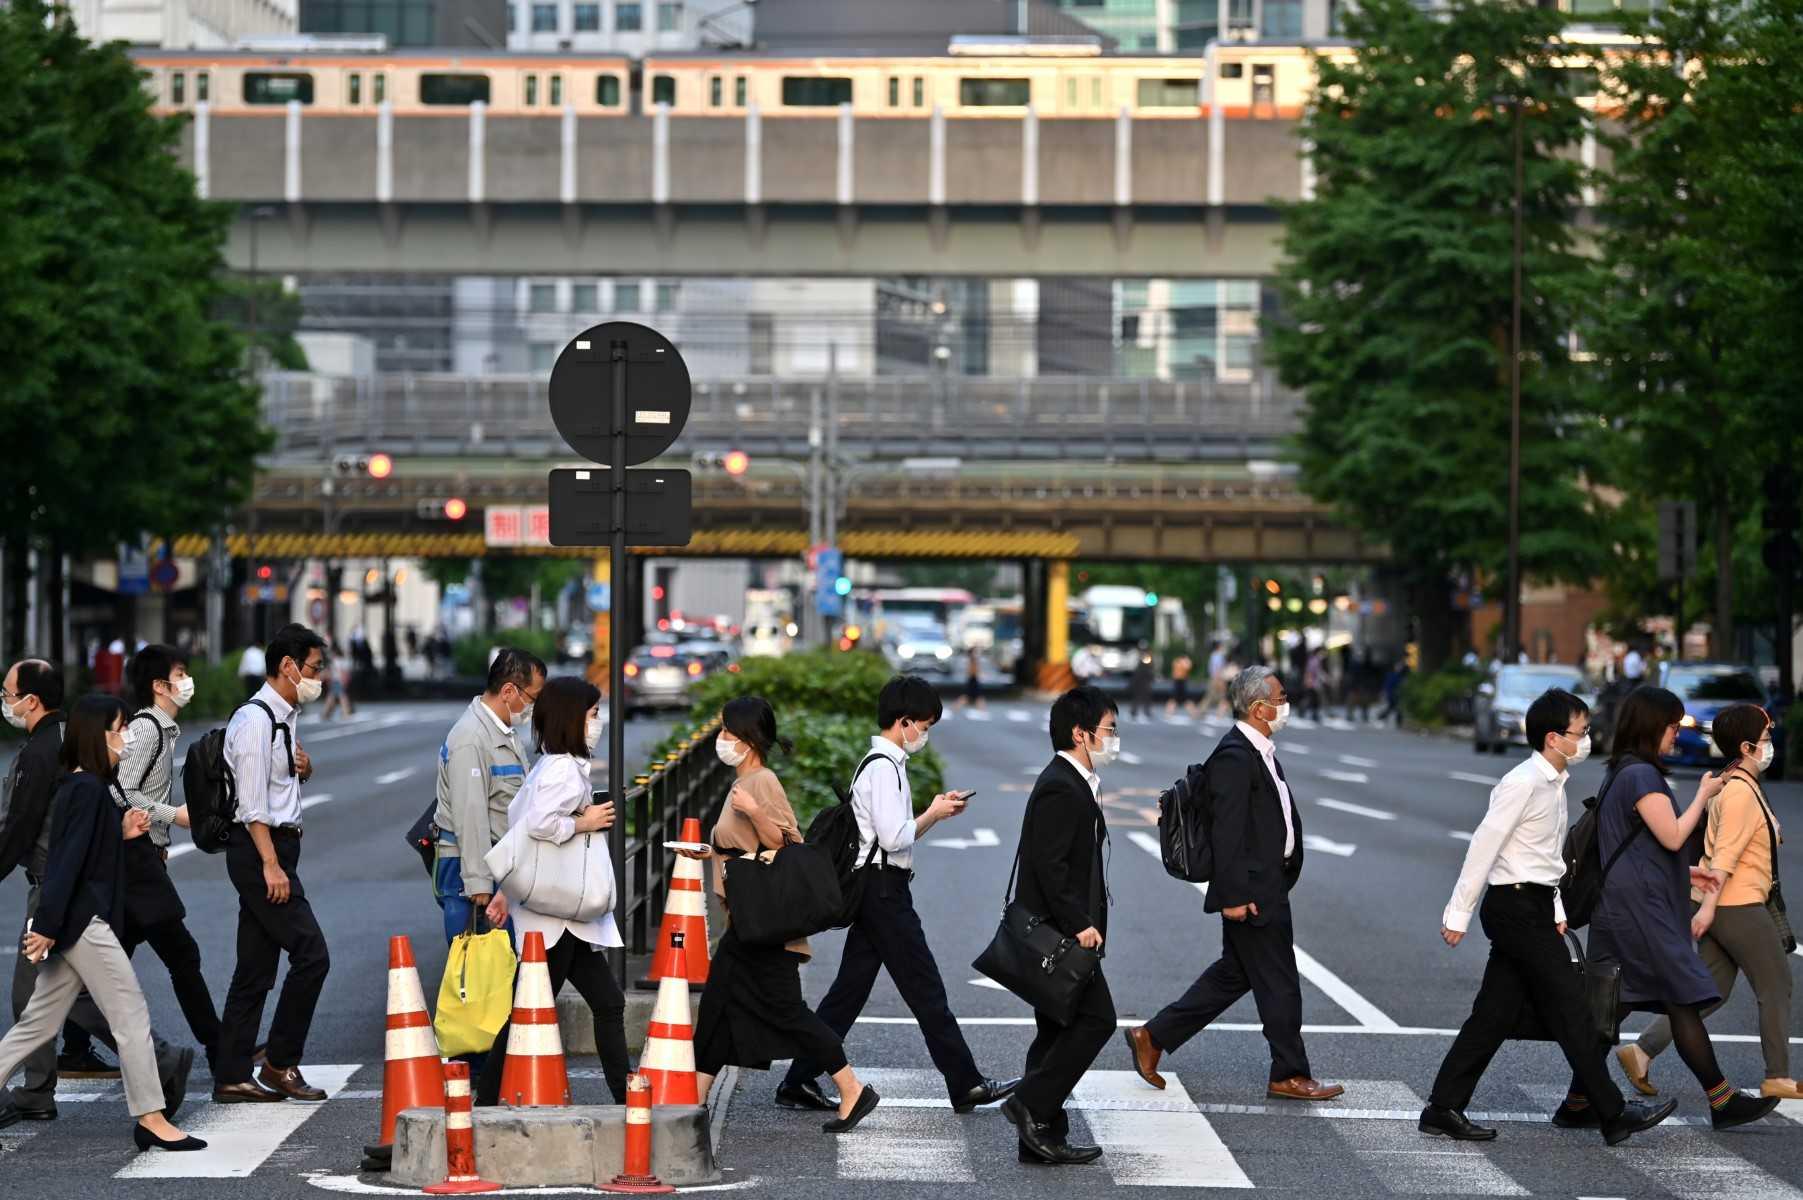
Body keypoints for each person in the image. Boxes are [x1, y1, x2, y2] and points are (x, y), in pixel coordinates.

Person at [1418, 688, 1676, 1144]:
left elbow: (1546, 860)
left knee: (1493, 1015)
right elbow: (1485, 845)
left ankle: (1443, 1107)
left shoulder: (1553, 783)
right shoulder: (1523, 782)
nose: (1588, 738)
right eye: (1582, 731)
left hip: (1534, 904)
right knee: (1572, 1009)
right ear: (1555, 738)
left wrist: (1556, 909)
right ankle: (1613, 1113)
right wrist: (1457, 913)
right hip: (1514, 908)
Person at [777, 675, 1016, 1114]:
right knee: (926, 989)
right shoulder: (884, 766)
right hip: (884, 892)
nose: (925, 734)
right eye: (924, 725)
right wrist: (935, 814)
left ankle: (798, 1078)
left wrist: (932, 812)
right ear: (903, 721)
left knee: (848, 992)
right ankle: (965, 1083)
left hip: (877, 890)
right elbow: (894, 838)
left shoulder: (882, 764)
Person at [1125, 666, 1343, 1105]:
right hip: (1253, 889)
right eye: (1280, 697)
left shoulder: (1257, 750)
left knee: (1233, 975)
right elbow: (1226, 832)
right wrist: (1233, 896)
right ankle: (1289, 1073)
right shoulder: (1235, 755)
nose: (1286, 703)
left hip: (1266, 882)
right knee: (1279, 981)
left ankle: (1153, 1035)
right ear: (1260, 707)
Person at [1566, 686, 1780, 1131]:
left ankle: (1578, 1100)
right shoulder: (1642, 776)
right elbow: (1673, 836)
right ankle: (1721, 1101)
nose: (1675, 736)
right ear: (1652, 727)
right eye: (1671, 725)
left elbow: (1640, 849)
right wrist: (1703, 793)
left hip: (1624, 906)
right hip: (1642, 914)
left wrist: (1685, 877)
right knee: (1675, 999)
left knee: (1613, 1006)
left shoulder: (1621, 771)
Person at [0, 696, 205, 1150]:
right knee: (129, 1015)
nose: (126, 737)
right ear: (98, 735)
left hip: (71, 923)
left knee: (36, 1024)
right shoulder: (87, 789)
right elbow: (66, 865)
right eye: (119, 729)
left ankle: (152, 1116)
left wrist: (122, 833)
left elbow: (82, 852)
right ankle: (151, 1117)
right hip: (83, 924)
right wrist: (48, 925)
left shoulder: (80, 786)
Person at [680, 697, 879, 1133]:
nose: (722, 740)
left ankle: (851, 1088)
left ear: (748, 740)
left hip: (766, 926)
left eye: (728, 733)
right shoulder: (744, 778)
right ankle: (692, 1103)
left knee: (788, 1013)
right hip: (747, 921)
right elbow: (743, 848)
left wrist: (754, 812)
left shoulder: (761, 782)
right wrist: (710, 852)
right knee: (717, 1008)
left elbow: (787, 843)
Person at [1621, 703, 1799, 1101]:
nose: (1771, 746)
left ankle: (1640, 1051)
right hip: (1738, 905)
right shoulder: (1739, 793)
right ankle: (1777, 1076)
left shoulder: (1740, 785)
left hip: (1727, 903)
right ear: (1747, 745)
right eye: (1766, 739)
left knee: (1709, 991)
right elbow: (1723, 859)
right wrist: (1707, 909)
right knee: (1776, 984)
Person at [476, 676, 627, 1106]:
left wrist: (509, 889)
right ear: (572, 718)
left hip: (557, 911)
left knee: (608, 1002)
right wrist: (586, 821)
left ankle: (626, 1095)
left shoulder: (552, 762)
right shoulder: (563, 769)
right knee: (529, 1008)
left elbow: (524, 828)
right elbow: (541, 824)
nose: (597, 723)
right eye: (593, 714)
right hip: (554, 914)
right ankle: (484, 1102)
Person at [212, 624, 332, 1104]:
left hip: (275, 849)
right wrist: (270, 864)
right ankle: (280, 1063)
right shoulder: (255, 721)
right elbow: (251, 805)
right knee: (312, 954)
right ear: (288, 666)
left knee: (255, 969)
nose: (318, 677)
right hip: (260, 850)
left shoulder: (284, 717)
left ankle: (232, 1073)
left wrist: (304, 768)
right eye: (313, 668)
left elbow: (277, 784)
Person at [998, 685, 1116, 1165]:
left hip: (1060, 931)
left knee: (1053, 1030)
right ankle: (1030, 1103)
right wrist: (1079, 924)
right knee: (1097, 1020)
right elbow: (1050, 867)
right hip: (1060, 934)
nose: (1113, 739)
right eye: (1108, 730)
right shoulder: (1059, 785)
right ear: (1079, 733)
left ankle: (1041, 1137)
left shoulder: (1074, 782)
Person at [115, 645, 224, 1072]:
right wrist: (170, 814)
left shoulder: (163, 730)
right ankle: (219, 1049)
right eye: (180, 673)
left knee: (108, 960)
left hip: (145, 859)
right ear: (159, 686)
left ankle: (72, 1044)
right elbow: (121, 789)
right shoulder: (148, 729)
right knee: (182, 955)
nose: (186, 681)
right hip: (136, 860)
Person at [434, 649, 544, 946]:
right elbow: (470, 815)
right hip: (470, 867)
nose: (533, 707)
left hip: (496, 860)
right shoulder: (471, 739)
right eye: (532, 698)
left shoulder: (501, 730)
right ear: (509, 691)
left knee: (498, 965)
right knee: (477, 967)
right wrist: (478, 881)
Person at [1128, 644, 1155, 721]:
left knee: (1147, 696)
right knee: (1137, 696)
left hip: (1145, 679)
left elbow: (1150, 668)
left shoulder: (1148, 657)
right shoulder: (1139, 656)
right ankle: (1133, 712)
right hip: (1139, 679)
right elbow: (1137, 669)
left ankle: (1147, 712)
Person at [1167, 652, 1194, 717]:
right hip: (1180, 682)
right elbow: (1188, 667)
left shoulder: (1176, 661)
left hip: (1178, 681)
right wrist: (1187, 661)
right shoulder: (1183, 662)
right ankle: (1169, 713)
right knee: (1178, 698)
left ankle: (1169, 713)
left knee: (1177, 698)